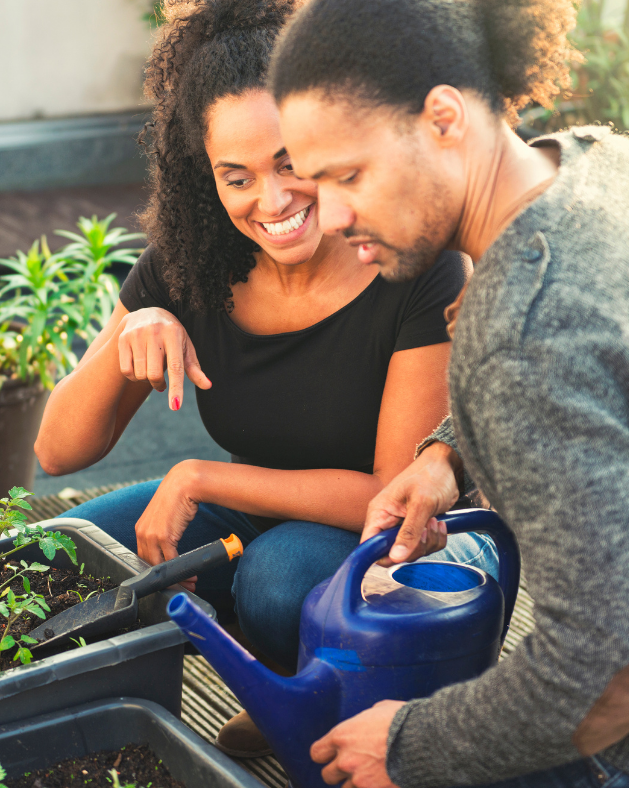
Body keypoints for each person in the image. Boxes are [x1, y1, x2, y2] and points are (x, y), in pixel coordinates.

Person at [34, 0, 497, 759]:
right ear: (203, 175)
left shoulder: (414, 258)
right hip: (260, 509)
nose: (271, 201)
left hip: (418, 545)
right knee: (54, 554)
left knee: (280, 585)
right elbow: (57, 450)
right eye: (236, 176)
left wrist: (197, 477)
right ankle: (268, 679)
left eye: (290, 161)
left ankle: (319, 699)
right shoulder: (195, 258)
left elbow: (389, 493)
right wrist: (134, 325)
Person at [270, 0, 629, 786]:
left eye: (349, 176)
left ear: (443, 118)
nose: (328, 216)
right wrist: (447, 453)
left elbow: (603, 678)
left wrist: (405, 746)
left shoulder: (519, 334)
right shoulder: (595, 164)